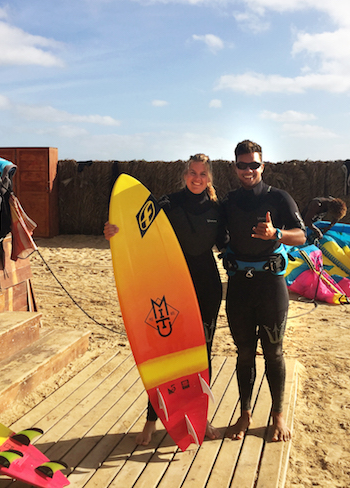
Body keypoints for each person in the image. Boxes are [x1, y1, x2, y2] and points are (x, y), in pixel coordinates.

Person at [104, 154, 224, 445]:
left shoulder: (217, 210)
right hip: (170, 286)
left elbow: (228, 245)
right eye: (192, 173)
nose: (197, 178)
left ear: (209, 179)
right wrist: (114, 232)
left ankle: (200, 416)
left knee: (201, 353)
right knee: (162, 350)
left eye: (203, 174)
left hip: (207, 286)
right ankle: (151, 419)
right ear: (184, 175)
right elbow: (137, 232)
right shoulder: (167, 204)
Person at [220, 140, 306, 443]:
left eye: (253, 164)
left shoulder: (279, 198)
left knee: (274, 352)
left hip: (271, 287)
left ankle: (278, 414)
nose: (248, 170)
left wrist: (276, 234)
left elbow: (303, 235)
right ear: (235, 167)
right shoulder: (228, 201)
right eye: (242, 165)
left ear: (262, 165)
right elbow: (205, 230)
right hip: (240, 287)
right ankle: (244, 414)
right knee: (244, 354)